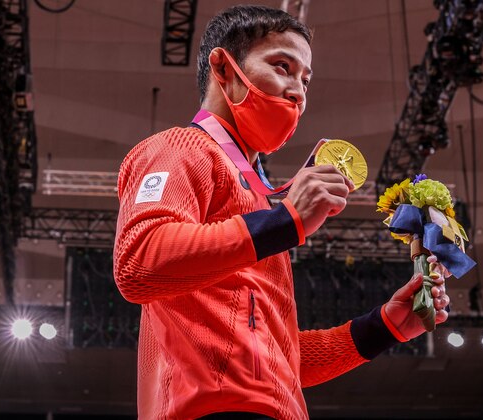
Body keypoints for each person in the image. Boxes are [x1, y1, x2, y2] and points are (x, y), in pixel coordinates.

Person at [113, 5, 450, 420]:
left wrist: (386, 324)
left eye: (306, 79)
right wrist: (285, 220)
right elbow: (138, 262)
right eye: (282, 66)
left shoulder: (255, 199)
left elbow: (278, 359)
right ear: (224, 68)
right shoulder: (179, 147)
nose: (298, 91)